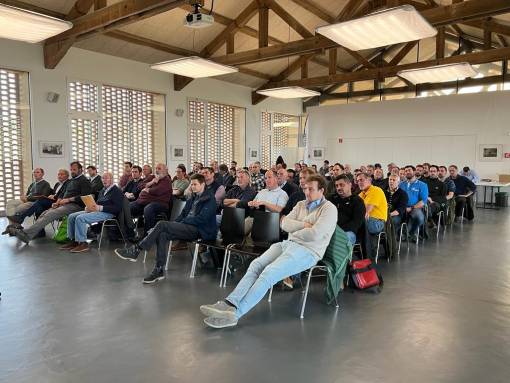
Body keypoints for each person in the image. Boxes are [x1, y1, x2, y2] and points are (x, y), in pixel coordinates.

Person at [200, 174, 337, 328]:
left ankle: (235, 314)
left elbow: (315, 234)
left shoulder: (329, 209)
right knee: (256, 265)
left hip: (308, 251)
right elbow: (283, 224)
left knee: (269, 273)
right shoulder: (300, 204)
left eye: (311, 189)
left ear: (322, 191)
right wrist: (304, 225)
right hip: (288, 243)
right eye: (305, 188)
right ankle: (230, 302)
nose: (307, 192)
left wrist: (296, 227)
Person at [115, 174, 217, 284]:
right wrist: (174, 224)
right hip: (187, 227)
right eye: (191, 184)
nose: (192, 186)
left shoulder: (210, 199)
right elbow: (183, 214)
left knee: (162, 224)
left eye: (195, 184)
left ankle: (137, 250)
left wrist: (179, 223)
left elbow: (202, 219)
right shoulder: (193, 197)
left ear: (203, 184)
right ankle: (159, 269)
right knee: (161, 233)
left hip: (201, 231)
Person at [14, 162, 92, 244]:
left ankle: (26, 233)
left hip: (76, 206)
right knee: (44, 213)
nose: (72, 171)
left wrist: (69, 200)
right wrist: (57, 202)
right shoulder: (71, 181)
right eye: (71, 169)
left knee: (50, 214)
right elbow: (62, 193)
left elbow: (85, 196)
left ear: (80, 170)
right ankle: (29, 236)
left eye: (74, 170)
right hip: (64, 204)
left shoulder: (84, 181)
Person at [63, 172, 123, 253]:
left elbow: (117, 208)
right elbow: (98, 203)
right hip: (97, 210)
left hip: (108, 213)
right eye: (103, 178)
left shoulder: (116, 191)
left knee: (80, 218)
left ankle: (83, 243)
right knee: (71, 216)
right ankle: (73, 240)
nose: (104, 180)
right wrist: (89, 207)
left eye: (106, 178)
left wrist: (100, 208)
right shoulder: (102, 190)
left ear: (111, 180)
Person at [3, 169, 70, 236]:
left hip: (52, 202)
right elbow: (54, 193)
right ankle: (38, 232)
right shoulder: (57, 184)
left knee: (38, 203)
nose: (59, 176)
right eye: (58, 174)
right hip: (41, 201)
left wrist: (55, 197)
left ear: (67, 176)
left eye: (62, 174)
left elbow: (60, 195)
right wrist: (25, 197)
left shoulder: (65, 184)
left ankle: (20, 219)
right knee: (11, 204)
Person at [130, 163, 172, 235]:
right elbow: (139, 186)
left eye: (159, 169)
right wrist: (151, 182)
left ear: (166, 170)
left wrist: (147, 190)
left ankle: (148, 235)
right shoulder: (152, 177)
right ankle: (128, 233)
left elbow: (158, 191)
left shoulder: (166, 180)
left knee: (149, 208)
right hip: (143, 202)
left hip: (160, 203)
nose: (157, 170)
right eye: (156, 168)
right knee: (128, 207)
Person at [328, 174, 366, 245]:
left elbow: (356, 223)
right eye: (336, 186)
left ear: (350, 185)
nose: (338, 188)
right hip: (330, 230)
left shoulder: (358, 201)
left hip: (349, 232)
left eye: (341, 185)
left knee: (341, 238)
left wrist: (338, 231)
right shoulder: (331, 199)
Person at [357, 173, 387, 258]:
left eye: (361, 180)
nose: (359, 182)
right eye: (358, 180)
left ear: (369, 180)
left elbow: (366, 211)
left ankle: (367, 253)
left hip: (377, 223)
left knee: (359, 223)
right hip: (369, 220)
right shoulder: (362, 194)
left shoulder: (376, 190)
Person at [399, 165, 428, 241]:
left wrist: (411, 208)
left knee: (420, 218)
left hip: (415, 207)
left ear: (414, 172)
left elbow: (423, 201)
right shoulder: (401, 184)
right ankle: (399, 233)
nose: (407, 172)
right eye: (406, 171)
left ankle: (411, 233)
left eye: (409, 170)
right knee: (394, 218)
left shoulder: (422, 185)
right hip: (402, 207)